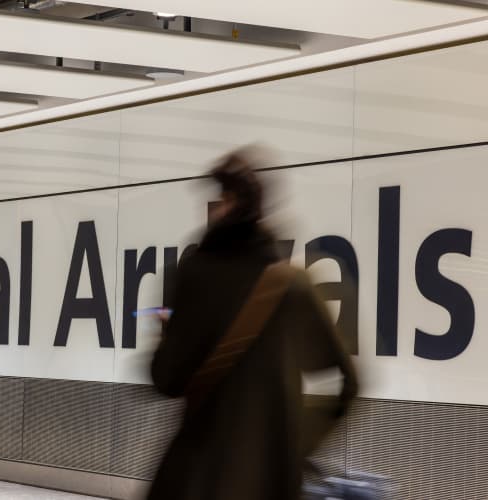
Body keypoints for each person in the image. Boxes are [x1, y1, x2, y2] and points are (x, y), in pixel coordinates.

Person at [148, 150, 358, 500]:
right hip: (270, 483)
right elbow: (348, 380)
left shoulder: (194, 274)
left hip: (199, 480)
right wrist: (292, 446)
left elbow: (165, 380)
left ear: (232, 204)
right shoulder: (294, 285)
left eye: (219, 200)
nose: (211, 211)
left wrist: (165, 332)